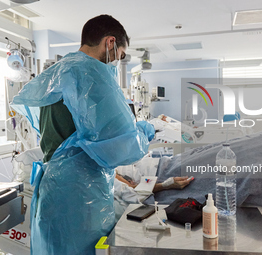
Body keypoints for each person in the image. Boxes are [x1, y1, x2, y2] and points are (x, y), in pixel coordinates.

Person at [11, 15, 155, 255]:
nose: (114, 65)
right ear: (110, 43)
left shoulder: (58, 71)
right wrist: (146, 130)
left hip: (53, 189)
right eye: (118, 57)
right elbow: (124, 147)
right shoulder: (90, 75)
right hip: (80, 195)